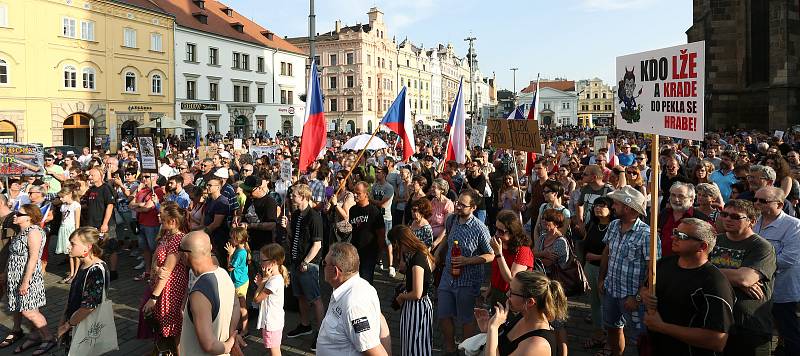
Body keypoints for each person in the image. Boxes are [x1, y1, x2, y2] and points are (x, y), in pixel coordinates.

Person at [640, 218, 735, 356]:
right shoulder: (663, 264)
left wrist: (662, 327)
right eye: (675, 232)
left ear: (702, 246)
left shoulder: (715, 283)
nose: (674, 237)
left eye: (681, 236)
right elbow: (644, 287)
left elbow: (717, 341)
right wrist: (644, 295)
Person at [710, 200, 777, 356]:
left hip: (750, 326)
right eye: (724, 214)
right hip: (717, 323)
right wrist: (735, 279)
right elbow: (696, 269)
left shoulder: (762, 247)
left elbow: (744, 278)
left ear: (751, 221)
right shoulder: (716, 241)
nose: (727, 219)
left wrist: (736, 279)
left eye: (735, 216)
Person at [599, 186, 658, 356]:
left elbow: (652, 270)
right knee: (612, 328)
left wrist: (638, 297)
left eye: (616, 203)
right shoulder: (613, 225)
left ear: (627, 207)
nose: (612, 207)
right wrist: (601, 279)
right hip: (611, 290)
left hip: (633, 297)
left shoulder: (648, 235)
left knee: (640, 339)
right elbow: (607, 252)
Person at [437, 190, 494, 355]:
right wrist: (437, 254)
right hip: (448, 277)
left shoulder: (480, 228)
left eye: (463, 204)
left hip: (468, 281)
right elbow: (447, 238)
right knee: (443, 314)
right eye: (458, 203)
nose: (458, 206)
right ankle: (450, 348)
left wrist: (467, 260)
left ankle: (465, 349)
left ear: (473, 207)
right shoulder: (451, 219)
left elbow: (491, 255)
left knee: (466, 319)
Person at [316, 242, 389, 355]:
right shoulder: (352, 287)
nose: (323, 266)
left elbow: (376, 351)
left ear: (335, 271)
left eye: (324, 263)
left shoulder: (353, 305)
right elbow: (380, 320)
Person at [752, 186, 800, 355]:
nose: (757, 204)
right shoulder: (754, 221)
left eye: (763, 201)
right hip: (758, 289)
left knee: (789, 331)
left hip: (782, 289)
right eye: (755, 199)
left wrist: (753, 271)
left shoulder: (794, 226)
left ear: (779, 205)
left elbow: (787, 259)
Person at [2, 204, 55, 355]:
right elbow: (13, 255)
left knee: (28, 311)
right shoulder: (21, 231)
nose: (15, 214)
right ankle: (34, 335)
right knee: (22, 307)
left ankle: (48, 337)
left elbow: (33, 259)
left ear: (29, 217)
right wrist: (6, 273)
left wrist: (25, 281)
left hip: (27, 276)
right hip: (15, 275)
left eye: (19, 213)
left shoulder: (34, 232)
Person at [476, 271, 568, 356]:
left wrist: (493, 328)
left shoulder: (537, 344)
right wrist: (487, 331)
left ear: (530, 302)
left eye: (512, 292)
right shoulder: (523, 315)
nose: (507, 294)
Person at [178, 230, 240, 355]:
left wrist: (229, 345)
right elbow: (236, 306)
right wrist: (231, 334)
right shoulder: (223, 274)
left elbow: (209, 345)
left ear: (185, 255)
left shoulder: (199, 293)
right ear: (210, 248)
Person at [138, 202, 189, 351]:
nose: (158, 217)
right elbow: (155, 257)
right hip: (161, 286)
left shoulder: (178, 240)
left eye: (162, 216)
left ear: (173, 221)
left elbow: (167, 272)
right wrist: (155, 268)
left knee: (173, 330)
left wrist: (153, 298)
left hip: (171, 289)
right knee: (163, 328)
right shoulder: (167, 234)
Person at [281, 184, 325, 349]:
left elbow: (317, 244)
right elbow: (294, 237)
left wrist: (306, 262)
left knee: (315, 298)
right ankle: (305, 325)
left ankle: (321, 332)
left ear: (304, 197)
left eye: (294, 195)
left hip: (308, 264)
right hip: (295, 261)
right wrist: (288, 228)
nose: (291, 198)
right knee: (300, 296)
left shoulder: (314, 216)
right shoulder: (296, 214)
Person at [56, 227, 111, 354]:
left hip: (86, 327)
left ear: (88, 247)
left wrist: (66, 326)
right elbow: (73, 296)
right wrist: (63, 318)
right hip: (76, 323)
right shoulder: (84, 265)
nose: (69, 247)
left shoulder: (96, 270)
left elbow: (89, 307)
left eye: (73, 244)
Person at [390, 225, 435, 356]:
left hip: (417, 308)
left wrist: (401, 297)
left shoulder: (417, 259)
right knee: (416, 344)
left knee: (415, 346)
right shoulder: (420, 253)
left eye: (395, 244)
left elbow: (417, 293)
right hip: (420, 306)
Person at [581, 196, 614, 350]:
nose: (598, 208)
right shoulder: (593, 224)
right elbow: (585, 242)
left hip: (606, 270)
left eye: (602, 205)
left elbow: (615, 252)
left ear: (611, 209)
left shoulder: (614, 226)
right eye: (596, 205)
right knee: (594, 303)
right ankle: (598, 334)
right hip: (589, 268)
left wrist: (598, 257)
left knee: (606, 305)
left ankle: (610, 339)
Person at [487, 209, 534, 306]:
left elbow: (511, 280)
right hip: (497, 293)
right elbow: (497, 270)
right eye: (495, 229)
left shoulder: (523, 250)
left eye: (501, 231)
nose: (496, 234)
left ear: (512, 232)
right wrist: (490, 288)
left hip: (513, 297)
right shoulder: (502, 245)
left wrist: (499, 254)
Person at [254, 243, 289, 356]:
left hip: (272, 323)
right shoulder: (274, 278)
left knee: (274, 352)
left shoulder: (273, 281)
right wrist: (262, 283)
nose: (260, 263)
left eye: (263, 260)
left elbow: (256, 299)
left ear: (273, 262)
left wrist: (263, 281)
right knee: (274, 349)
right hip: (274, 321)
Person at [658, 182, 710, 257]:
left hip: (687, 264)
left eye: (681, 196)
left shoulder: (701, 219)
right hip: (661, 262)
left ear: (691, 200)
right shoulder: (664, 213)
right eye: (673, 195)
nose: (676, 199)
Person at [349, 181, 386, 285]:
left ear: (366, 194)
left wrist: (380, 253)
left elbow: (381, 234)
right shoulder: (352, 210)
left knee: (365, 281)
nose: (355, 195)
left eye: (358, 193)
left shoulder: (374, 212)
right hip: (354, 252)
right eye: (354, 192)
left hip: (369, 253)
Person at [130, 172, 164, 281]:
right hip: (141, 223)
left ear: (155, 178)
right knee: (145, 249)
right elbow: (130, 203)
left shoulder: (157, 191)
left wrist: (138, 206)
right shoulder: (142, 190)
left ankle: (155, 273)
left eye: (146, 177)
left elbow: (147, 208)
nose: (144, 179)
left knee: (154, 249)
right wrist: (140, 205)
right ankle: (148, 271)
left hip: (152, 224)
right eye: (142, 177)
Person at [225, 226, 251, 339]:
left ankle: (245, 329)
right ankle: (241, 326)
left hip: (239, 283)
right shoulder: (241, 250)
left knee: (242, 307)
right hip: (240, 281)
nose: (230, 240)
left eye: (232, 238)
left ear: (238, 239)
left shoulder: (240, 253)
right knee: (239, 305)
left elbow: (230, 267)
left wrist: (230, 254)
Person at [371, 166, 395, 277]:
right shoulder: (374, 186)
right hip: (375, 217)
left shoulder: (389, 187)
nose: (376, 174)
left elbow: (383, 203)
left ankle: (391, 266)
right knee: (377, 240)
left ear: (384, 174)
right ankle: (379, 261)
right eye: (376, 172)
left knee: (387, 241)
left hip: (386, 218)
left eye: (379, 172)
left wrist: (370, 200)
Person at [56, 185, 81, 284]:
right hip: (64, 229)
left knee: (75, 254)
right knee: (70, 254)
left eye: (62, 196)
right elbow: (63, 219)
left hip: (72, 230)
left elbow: (77, 222)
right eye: (60, 197)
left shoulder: (76, 205)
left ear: (69, 194)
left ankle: (76, 274)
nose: (61, 199)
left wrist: (76, 234)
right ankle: (71, 273)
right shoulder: (63, 206)